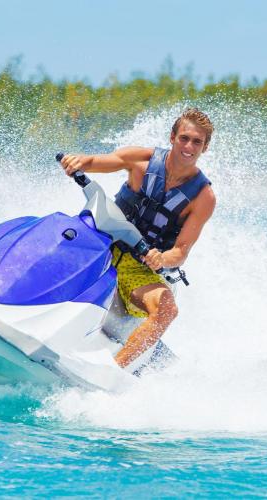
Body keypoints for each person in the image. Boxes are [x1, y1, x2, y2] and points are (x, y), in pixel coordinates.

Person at [60, 108, 216, 370]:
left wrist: (161, 258)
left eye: (197, 142)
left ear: (205, 147)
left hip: (139, 266)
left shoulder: (203, 198)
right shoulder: (140, 161)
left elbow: (180, 252)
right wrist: (78, 162)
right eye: (184, 138)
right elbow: (96, 162)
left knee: (167, 310)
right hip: (101, 243)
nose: (189, 146)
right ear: (172, 137)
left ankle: (114, 371)